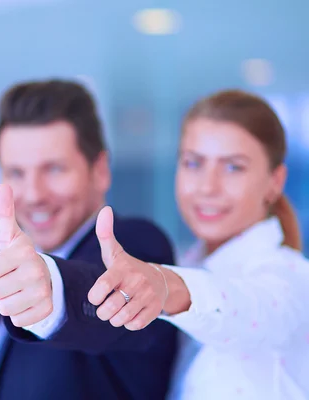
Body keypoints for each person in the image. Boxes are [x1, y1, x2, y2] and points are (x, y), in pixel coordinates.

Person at [0, 79, 178, 399]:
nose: (34, 195)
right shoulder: (7, 256)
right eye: (16, 173)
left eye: (54, 169)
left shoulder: (138, 246)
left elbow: (94, 294)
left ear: (100, 170)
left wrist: (50, 289)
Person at [88, 89, 309, 399]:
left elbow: (250, 308)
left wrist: (166, 285)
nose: (207, 187)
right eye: (193, 163)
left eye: (233, 167)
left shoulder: (294, 278)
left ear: (275, 181)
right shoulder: (185, 261)